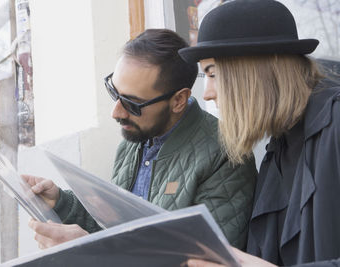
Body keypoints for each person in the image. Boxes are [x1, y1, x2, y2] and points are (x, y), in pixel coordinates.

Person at [26, 29, 257, 250]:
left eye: (133, 103)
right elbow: (113, 227)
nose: (116, 112)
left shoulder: (226, 154)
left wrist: (90, 251)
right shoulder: (135, 139)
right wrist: (61, 202)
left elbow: (208, 258)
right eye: (114, 93)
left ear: (178, 100)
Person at [179, 0, 340, 266]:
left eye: (213, 73)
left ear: (254, 71)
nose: (207, 92)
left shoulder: (335, 122)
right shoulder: (279, 147)